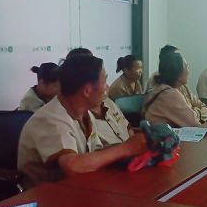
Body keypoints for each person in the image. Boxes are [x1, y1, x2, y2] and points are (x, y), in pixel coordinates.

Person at [17, 55, 148, 189]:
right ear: (87, 91)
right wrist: (127, 148)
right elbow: (72, 166)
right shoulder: (51, 118)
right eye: (105, 82)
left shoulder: (84, 114)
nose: (107, 88)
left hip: (79, 188)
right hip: (46, 196)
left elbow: (95, 155)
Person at [146, 45, 207, 123]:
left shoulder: (179, 87)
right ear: (177, 72)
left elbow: (202, 106)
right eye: (187, 66)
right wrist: (197, 112)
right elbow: (193, 122)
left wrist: (195, 112)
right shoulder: (169, 94)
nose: (189, 69)